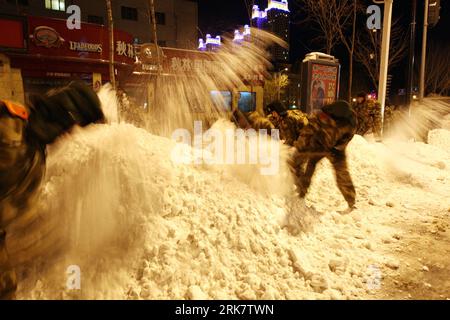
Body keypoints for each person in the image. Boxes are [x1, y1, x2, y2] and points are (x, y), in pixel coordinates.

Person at [0, 82, 104, 299]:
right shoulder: (9, 124)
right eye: (71, 128)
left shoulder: (35, 152)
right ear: (64, 116)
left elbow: (16, 201)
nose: (69, 137)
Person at [288, 100, 357, 210]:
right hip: (317, 145)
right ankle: (301, 190)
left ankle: (351, 200)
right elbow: (306, 133)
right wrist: (299, 148)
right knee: (299, 163)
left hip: (336, 149)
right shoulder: (320, 117)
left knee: (342, 173)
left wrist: (338, 147)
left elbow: (347, 137)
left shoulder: (350, 122)